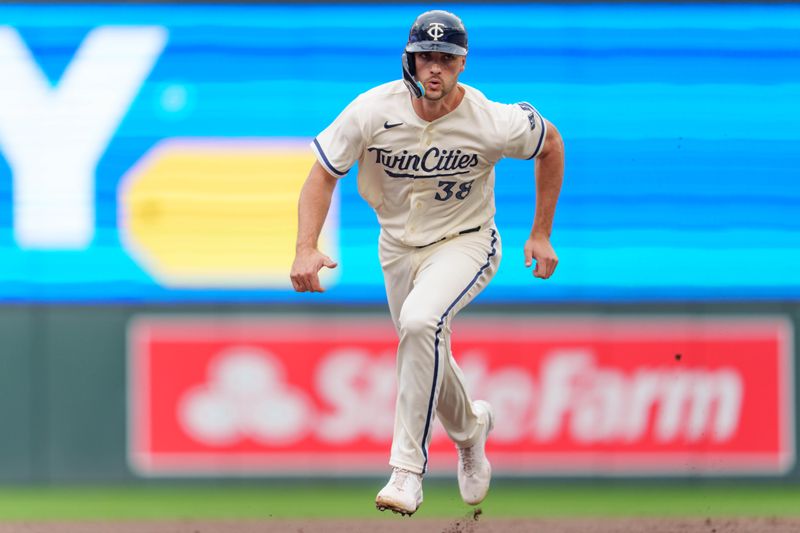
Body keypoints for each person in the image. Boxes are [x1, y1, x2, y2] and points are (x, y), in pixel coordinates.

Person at [290, 9, 564, 516]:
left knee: (420, 324)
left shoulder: (491, 120)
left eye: (446, 58)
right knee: (424, 345)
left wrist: (541, 233)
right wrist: (306, 246)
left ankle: (407, 471)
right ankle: (471, 431)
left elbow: (550, 142)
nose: (434, 68)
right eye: (425, 57)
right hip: (396, 246)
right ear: (408, 60)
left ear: (462, 64)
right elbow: (322, 174)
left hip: (467, 240)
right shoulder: (371, 110)